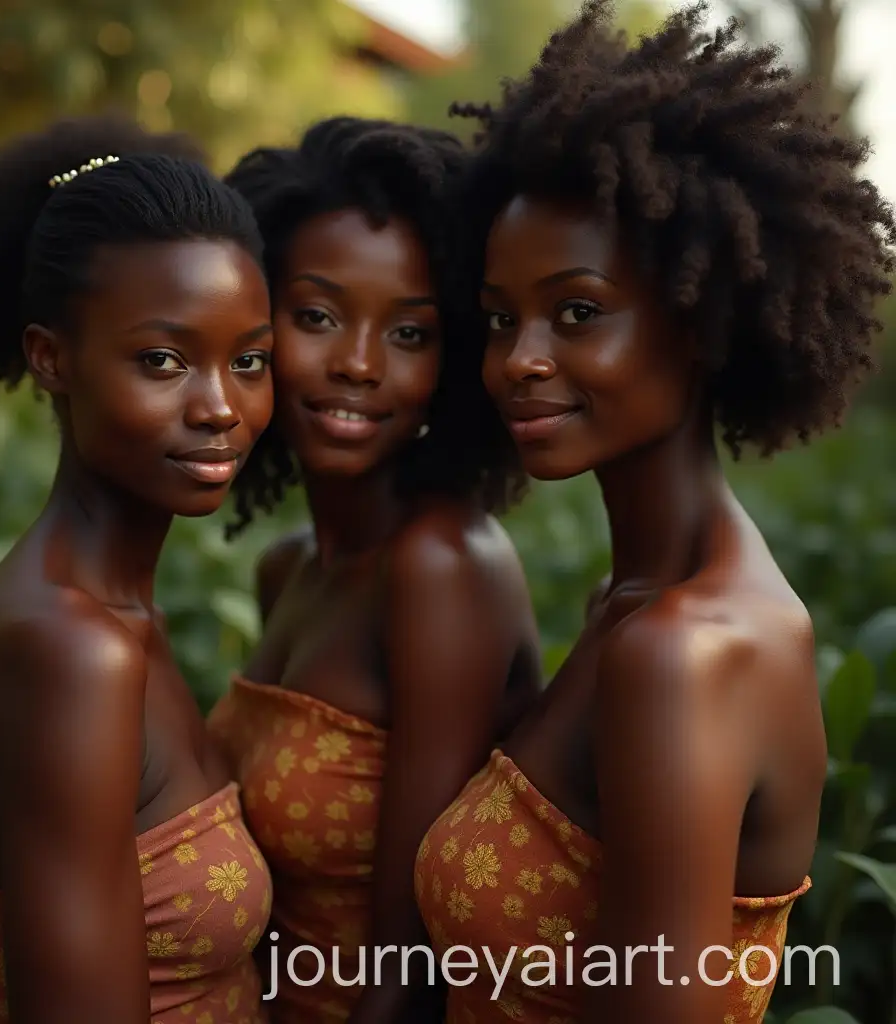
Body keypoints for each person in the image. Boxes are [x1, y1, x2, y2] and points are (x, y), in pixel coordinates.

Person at [413, 2, 896, 1022]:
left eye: (577, 311)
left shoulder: (685, 651)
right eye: (501, 319)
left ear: (700, 313)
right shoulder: (631, 601)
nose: (518, 359)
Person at [0, 115, 278, 1024]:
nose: (220, 407)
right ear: (51, 358)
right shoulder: (65, 651)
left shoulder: (116, 619)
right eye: (163, 360)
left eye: (249, 361)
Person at [205, 116, 543, 1022]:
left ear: (457, 358)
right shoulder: (289, 570)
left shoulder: (441, 568)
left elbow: (410, 963)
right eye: (316, 315)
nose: (357, 365)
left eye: (410, 334)